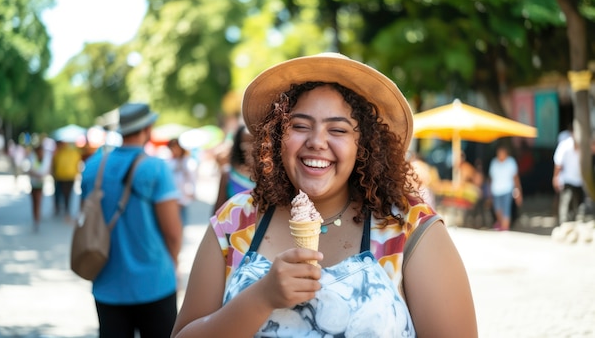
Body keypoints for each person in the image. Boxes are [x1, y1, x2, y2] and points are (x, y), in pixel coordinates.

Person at [171, 53, 477, 337]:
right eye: (300, 125)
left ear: (365, 146)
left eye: (338, 130)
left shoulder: (409, 225)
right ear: (277, 136)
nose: (317, 142)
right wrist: (260, 298)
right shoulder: (234, 220)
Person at [80, 103, 183, 338]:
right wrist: (173, 263)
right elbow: (173, 232)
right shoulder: (156, 168)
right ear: (147, 128)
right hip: (155, 282)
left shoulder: (92, 167)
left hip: (107, 282)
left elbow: (86, 218)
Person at [213, 124, 256, 212]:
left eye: (253, 142)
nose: (249, 148)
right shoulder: (228, 174)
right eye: (245, 143)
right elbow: (218, 209)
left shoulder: (268, 176)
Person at [552, 129, 584, 225]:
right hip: (567, 180)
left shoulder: (583, 146)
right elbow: (558, 163)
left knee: (578, 205)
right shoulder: (565, 145)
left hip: (580, 181)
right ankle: (564, 224)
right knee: (565, 203)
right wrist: (556, 177)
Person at [488, 145, 522, 231]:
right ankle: (501, 224)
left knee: (506, 210)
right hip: (496, 190)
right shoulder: (494, 162)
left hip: (507, 190)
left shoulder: (511, 162)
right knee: (497, 209)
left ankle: (505, 227)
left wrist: (518, 190)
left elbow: (515, 178)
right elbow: (491, 178)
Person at [167, 137, 197, 224]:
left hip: (183, 194)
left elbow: (192, 178)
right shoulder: (170, 161)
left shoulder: (187, 162)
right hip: (172, 194)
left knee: (181, 220)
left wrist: (192, 190)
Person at [52, 140, 82, 221]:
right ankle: (63, 209)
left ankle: (65, 210)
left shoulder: (63, 152)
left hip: (66, 176)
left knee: (66, 195)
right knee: (63, 195)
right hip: (63, 176)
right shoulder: (62, 152)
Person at [27, 141, 50, 232]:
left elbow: (47, 170)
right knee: (34, 202)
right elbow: (29, 170)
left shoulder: (46, 158)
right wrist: (36, 174)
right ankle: (35, 218)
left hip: (40, 183)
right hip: (33, 183)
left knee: (38, 201)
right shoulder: (33, 157)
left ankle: (37, 219)